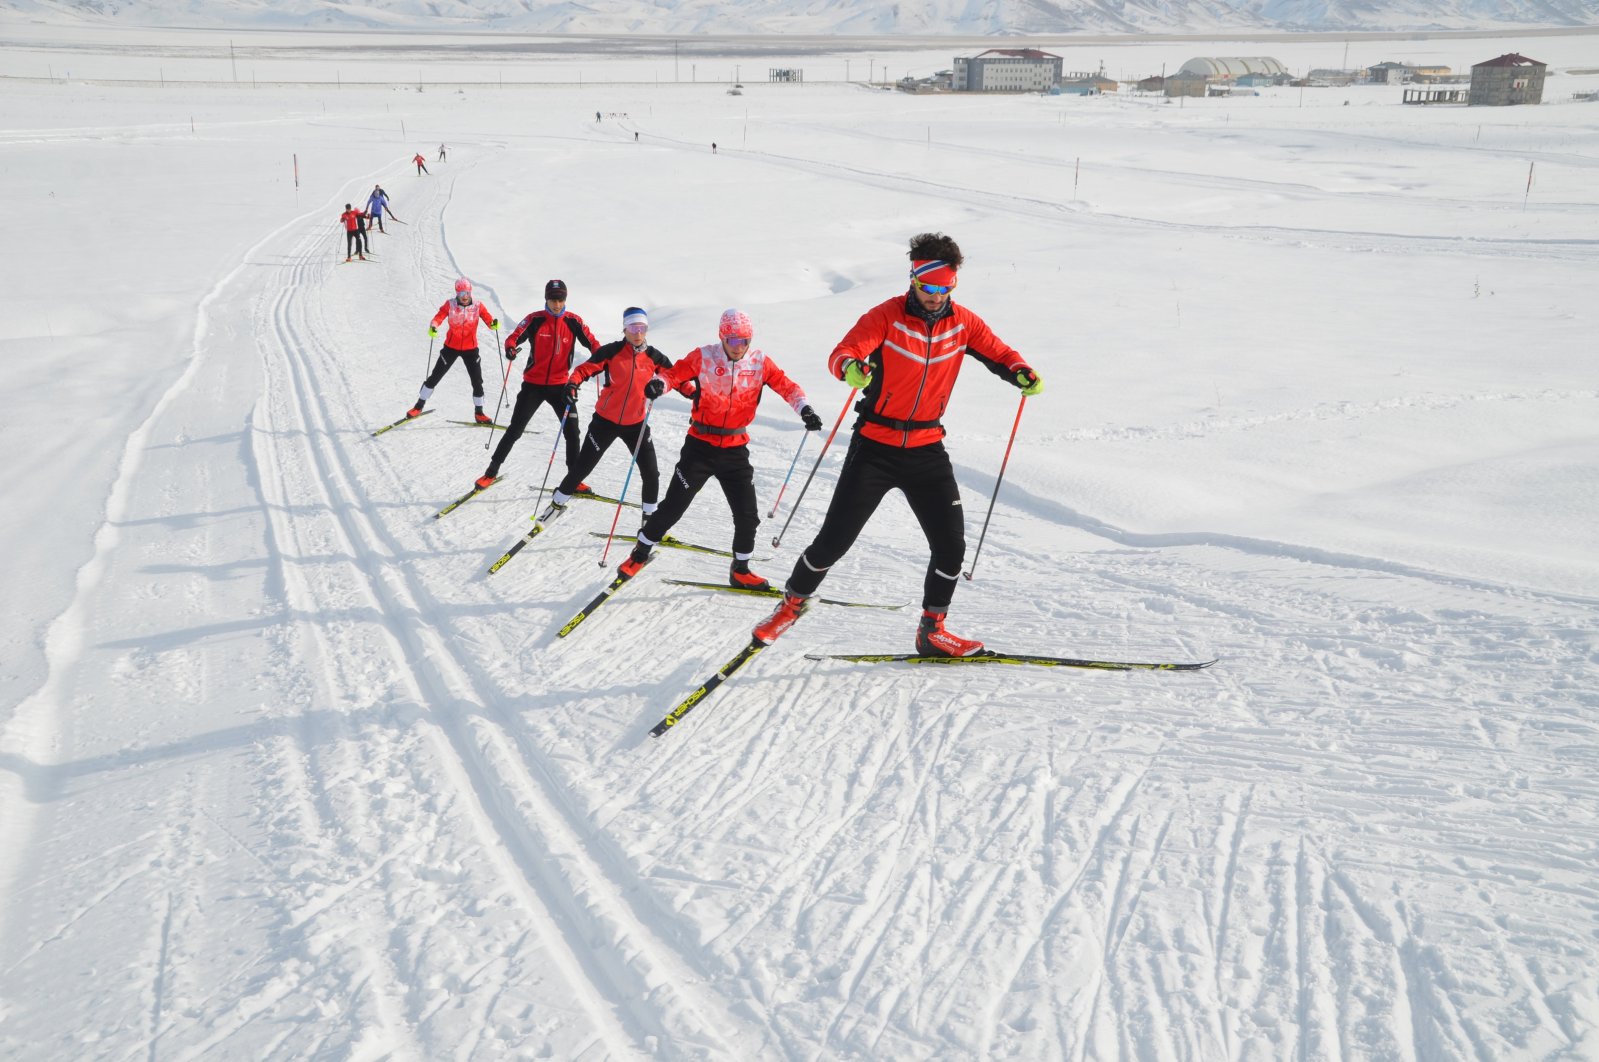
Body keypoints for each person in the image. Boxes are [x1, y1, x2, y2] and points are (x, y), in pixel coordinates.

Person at [752, 232, 1044, 656]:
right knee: (834, 540)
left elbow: (998, 353)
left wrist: (1021, 371)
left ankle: (933, 629)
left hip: (926, 448)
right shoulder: (886, 317)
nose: (935, 296)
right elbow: (843, 352)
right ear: (913, 279)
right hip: (875, 447)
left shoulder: (963, 323)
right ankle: (790, 606)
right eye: (928, 287)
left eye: (945, 289)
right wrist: (850, 368)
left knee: (951, 546)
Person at [618, 309, 820, 589]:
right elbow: (674, 375)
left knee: (748, 515)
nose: (739, 347)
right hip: (700, 447)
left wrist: (805, 409)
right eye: (734, 341)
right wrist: (658, 385)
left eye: (745, 341)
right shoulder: (705, 356)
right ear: (722, 337)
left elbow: (787, 387)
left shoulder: (759, 362)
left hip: (735, 449)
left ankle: (741, 569)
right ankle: (639, 552)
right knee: (674, 506)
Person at [532, 308, 682, 527]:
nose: (638, 333)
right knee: (582, 468)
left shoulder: (655, 357)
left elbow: (677, 377)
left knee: (651, 473)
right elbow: (584, 370)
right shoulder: (611, 352)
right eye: (633, 328)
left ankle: (650, 522)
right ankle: (555, 506)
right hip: (605, 422)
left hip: (636, 424)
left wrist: (696, 395)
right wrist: (572, 384)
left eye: (642, 328)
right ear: (625, 329)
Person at [474, 279, 601, 490]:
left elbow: (594, 343)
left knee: (572, 432)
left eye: (560, 299)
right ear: (546, 299)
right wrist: (511, 348)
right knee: (515, 430)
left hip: (561, 387)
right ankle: (491, 472)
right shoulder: (535, 319)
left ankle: (574, 478)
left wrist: (600, 357)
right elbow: (513, 337)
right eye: (553, 299)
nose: (557, 304)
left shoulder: (574, 321)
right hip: (533, 385)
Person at [408, 277, 499, 421]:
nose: (465, 296)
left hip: (471, 349)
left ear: (470, 292)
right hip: (451, 348)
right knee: (435, 376)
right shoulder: (450, 305)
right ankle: (418, 406)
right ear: (457, 293)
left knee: (477, 380)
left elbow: (488, 319)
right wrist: (433, 326)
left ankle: (479, 413)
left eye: (467, 293)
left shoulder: (477, 306)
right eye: (462, 293)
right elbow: (439, 317)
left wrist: (493, 324)